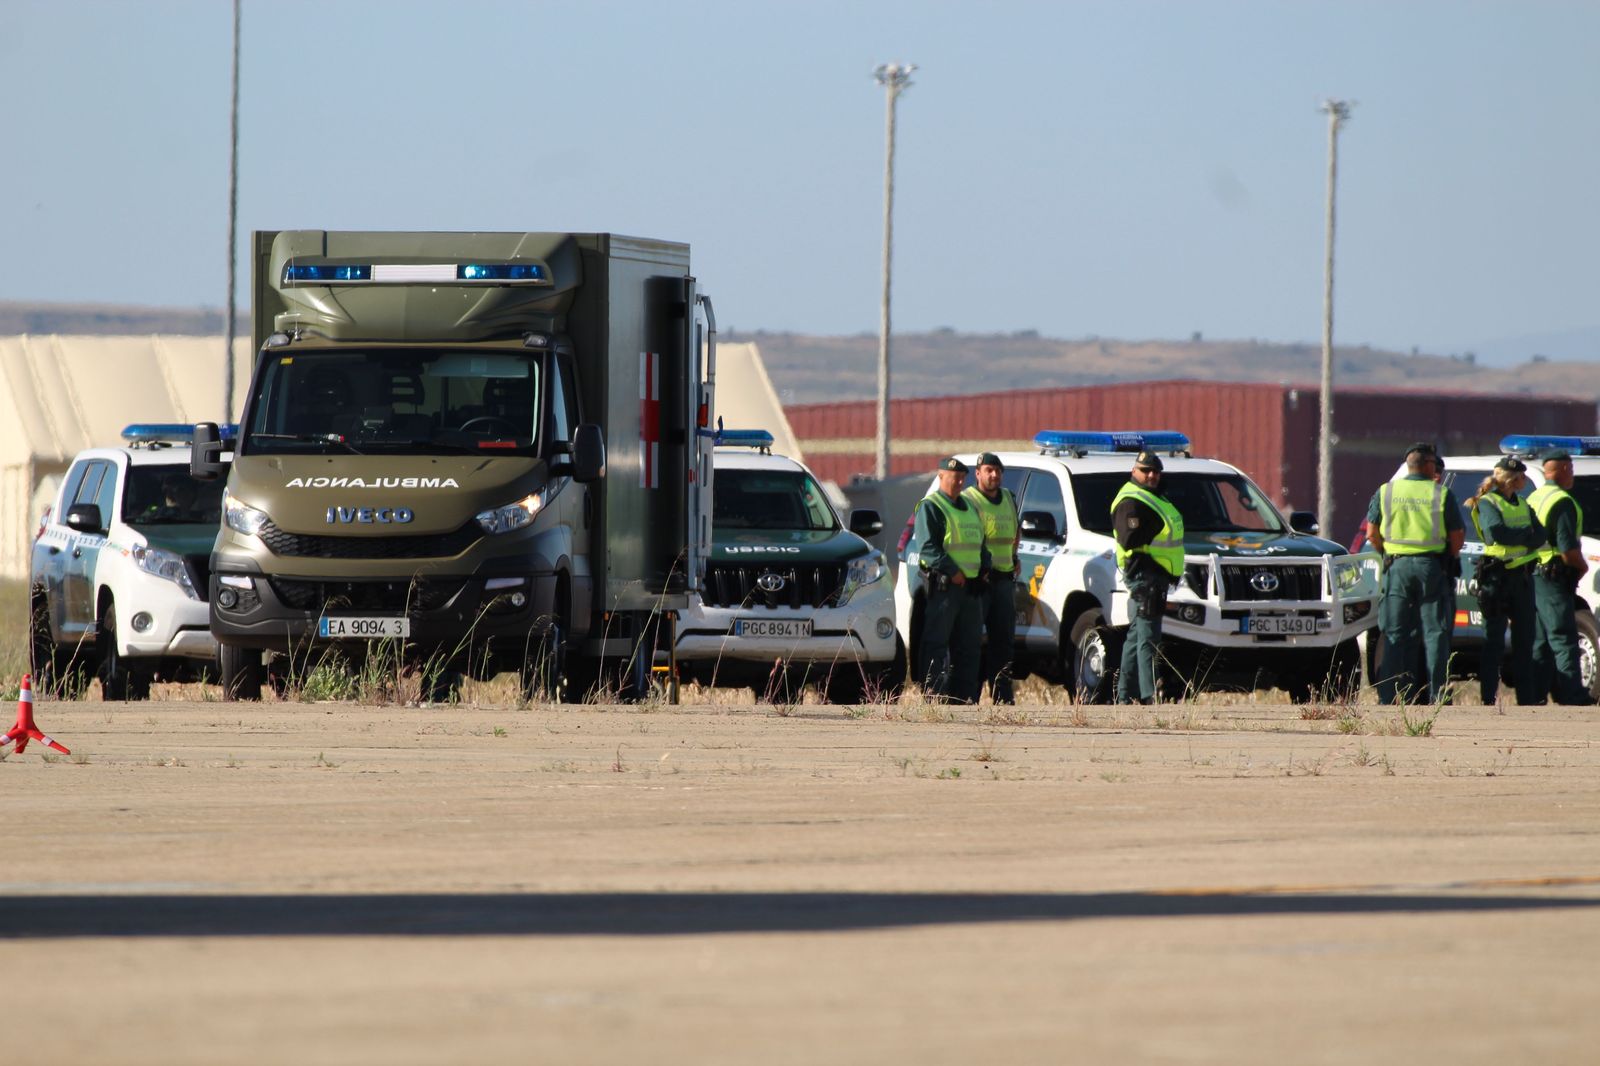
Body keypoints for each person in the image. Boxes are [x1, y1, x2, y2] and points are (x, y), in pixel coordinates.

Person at [1366, 443, 1464, 704]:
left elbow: (1372, 534)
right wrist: (1446, 557)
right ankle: (1437, 694)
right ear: (1428, 466)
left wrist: (1388, 553)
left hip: (1396, 566)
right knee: (1435, 633)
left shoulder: (1386, 491)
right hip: (1430, 568)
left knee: (1394, 632)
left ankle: (1389, 695)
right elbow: (1457, 537)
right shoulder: (1440, 494)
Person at [1467, 456, 1543, 705]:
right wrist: (1525, 535)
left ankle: (1527, 701)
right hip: (1496, 579)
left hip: (1521, 579)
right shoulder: (1488, 502)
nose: (1524, 481)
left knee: (1525, 642)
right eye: (1522, 477)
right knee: (1494, 642)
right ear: (1512, 479)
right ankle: (1489, 700)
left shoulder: (1521, 503)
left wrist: (1520, 537)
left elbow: (1540, 535)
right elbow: (1495, 533)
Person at [1111, 449, 1184, 704]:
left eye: (1155, 471)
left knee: (1136, 635)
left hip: (1156, 575)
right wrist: (1151, 529)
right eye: (1146, 470)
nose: (1151, 475)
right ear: (1134, 471)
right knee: (1148, 638)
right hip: (1144, 573)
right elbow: (1129, 537)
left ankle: (1125, 696)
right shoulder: (1132, 500)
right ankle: (1148, 696)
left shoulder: (1154, 497)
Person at [912, 457, 985, 703]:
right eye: (955, 477)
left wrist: (984, 568)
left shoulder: (970, 506)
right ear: (941, 477)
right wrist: (953, 571)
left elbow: (980, 543)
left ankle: (963, 699)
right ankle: (933, 697)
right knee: (936, 643)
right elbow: (928, 548)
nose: (960, 482)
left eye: (963, 477)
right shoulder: (931, 506)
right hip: (945, 587)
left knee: (969, 647)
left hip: (971, 588)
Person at [1527, 447, 1593, 705]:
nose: (1572, 475)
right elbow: (1567, 548)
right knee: (1563, 636)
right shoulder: (1562, 501)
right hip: (1554, 576)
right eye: (1571, 469)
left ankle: (1536, 695)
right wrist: (1583, 567)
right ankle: (1572, 694)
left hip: (1534, 573)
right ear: (1563, 470)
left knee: (1541, 640)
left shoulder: (1535, 497)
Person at [963, 452, 1021, 704]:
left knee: (1004, 642)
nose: (994, 475)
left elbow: (1014, 531)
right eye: (988, 470)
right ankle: (968, 697)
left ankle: (1002, 698)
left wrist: (1014, 557)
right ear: (977, 473)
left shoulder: (1008, 497)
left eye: (997, 470)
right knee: (972, 640)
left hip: (1004, 579)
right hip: (979, 581)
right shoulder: (968, 500)